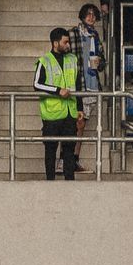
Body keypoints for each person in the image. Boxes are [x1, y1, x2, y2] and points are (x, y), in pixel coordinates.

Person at [36, 29, 84, 182]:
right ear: (55, 43)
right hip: (52, 113)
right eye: (65, 42)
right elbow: (36, 85)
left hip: (70, 112)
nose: (68, 45)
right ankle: (50, 182)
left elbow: (77, 85)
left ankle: (70, 182)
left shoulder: (72, 59)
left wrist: (80, 108)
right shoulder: (44, 60)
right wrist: (58, 91)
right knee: (50, 150)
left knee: (69, 149)